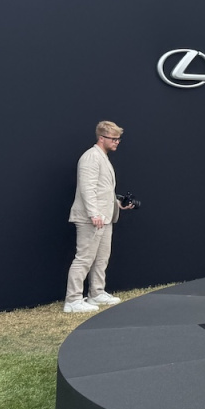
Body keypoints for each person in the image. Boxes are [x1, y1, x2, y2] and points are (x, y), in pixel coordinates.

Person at [64, 121, 133, 313]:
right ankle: (73, 300)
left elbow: (102, 190)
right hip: (91, 218)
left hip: (105, 217)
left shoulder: (102, 157)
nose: (117, 142)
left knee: (102, 258)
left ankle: (96, 292)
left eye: (118, 139)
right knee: (84, 258)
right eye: (113, 139)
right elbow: (87, 188)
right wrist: (94, 213)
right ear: (101, 138)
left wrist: (117, 203)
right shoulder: (90, 157)